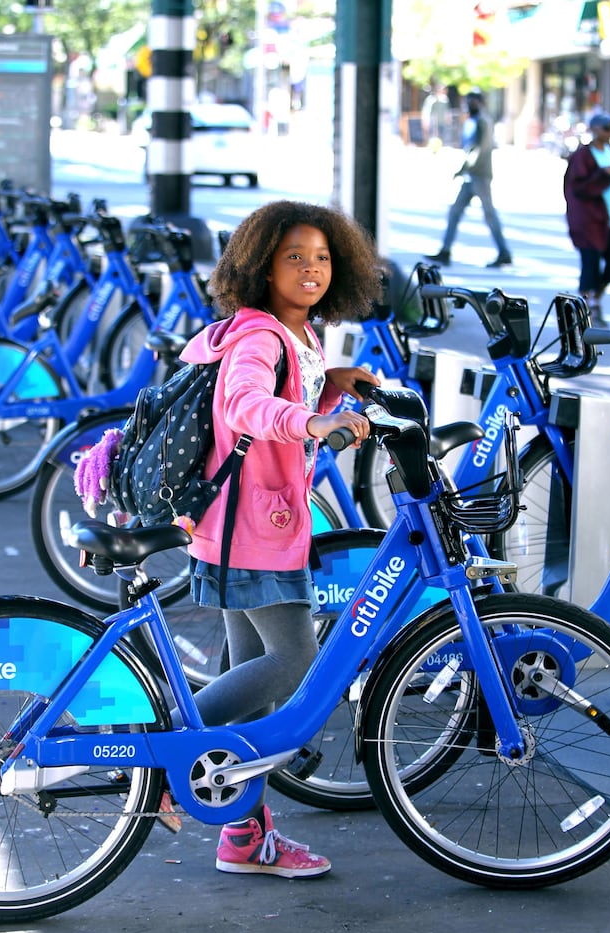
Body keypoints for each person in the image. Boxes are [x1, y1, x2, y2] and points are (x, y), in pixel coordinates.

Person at [173, 201, 382, 877]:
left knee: (254, 696)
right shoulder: (262, 336)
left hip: (244, 527)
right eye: (294, 257)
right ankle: (159, 754)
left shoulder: (299, 336)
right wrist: (310, 424)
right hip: (255, 531)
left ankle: (243, 836)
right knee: (294, 661)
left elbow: (286, 395)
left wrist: (329, 393)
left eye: (322, 257)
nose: (311, 269)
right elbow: (244, 404)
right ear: (261, 265)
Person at [425, 87, 513, 269]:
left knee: (489, 214)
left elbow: (480, 149)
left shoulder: (483, 121)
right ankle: (445, 251)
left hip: (479, 175)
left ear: (480, 102)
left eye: (472, 101)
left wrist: (465, 167)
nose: (469, 105)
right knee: (455, 212)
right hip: (471, 175)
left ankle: (504, 252)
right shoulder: (474, 120)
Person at [563, 111, 610, 326]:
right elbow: (578, 187)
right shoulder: (583, 155)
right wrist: (602, 175)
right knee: (590, 264)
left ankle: (596, 300)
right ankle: (584, 309)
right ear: (595, 130)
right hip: (589, 219)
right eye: (607, 128)